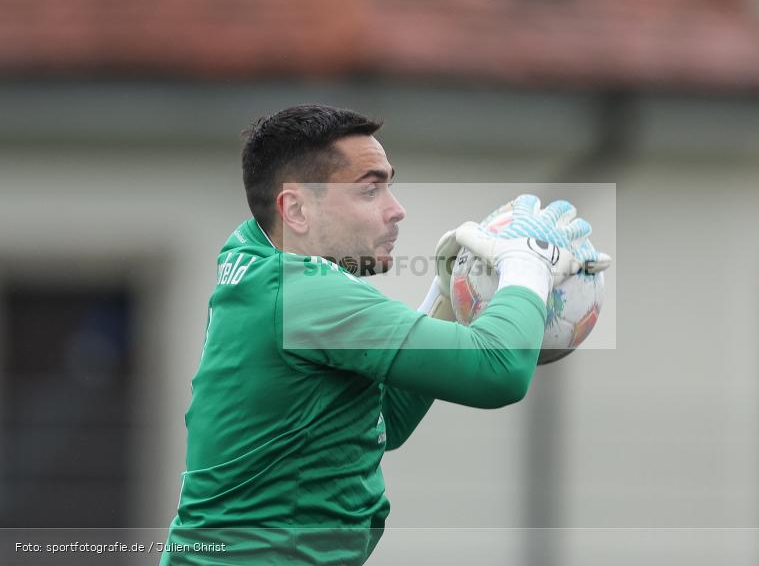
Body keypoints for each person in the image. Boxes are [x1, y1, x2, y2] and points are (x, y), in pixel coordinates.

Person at [160, 104, 607, 565]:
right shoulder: (303, 294)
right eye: (370, 190)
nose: (397, 210)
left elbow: (380, 421)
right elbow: (498, 372)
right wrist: (527, 267)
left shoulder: (260, 264)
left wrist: (446, 296)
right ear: (295, 209)